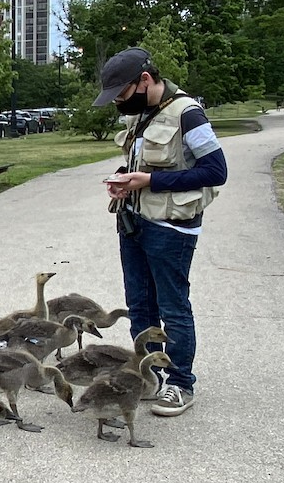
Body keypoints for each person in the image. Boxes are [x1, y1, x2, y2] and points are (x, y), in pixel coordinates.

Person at [94, 47, 228, 417]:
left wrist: (150, 180)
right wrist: (126, 180)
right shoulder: (143, 115)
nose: (120, 102)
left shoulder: (188, 114)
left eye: (122, 94)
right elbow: (142, 161)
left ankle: (181, 383)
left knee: (173, 307)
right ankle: (151, 376)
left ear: (146, 81)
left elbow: (216, 171)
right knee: (140, 305)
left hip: (172, 229)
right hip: (134, 222)